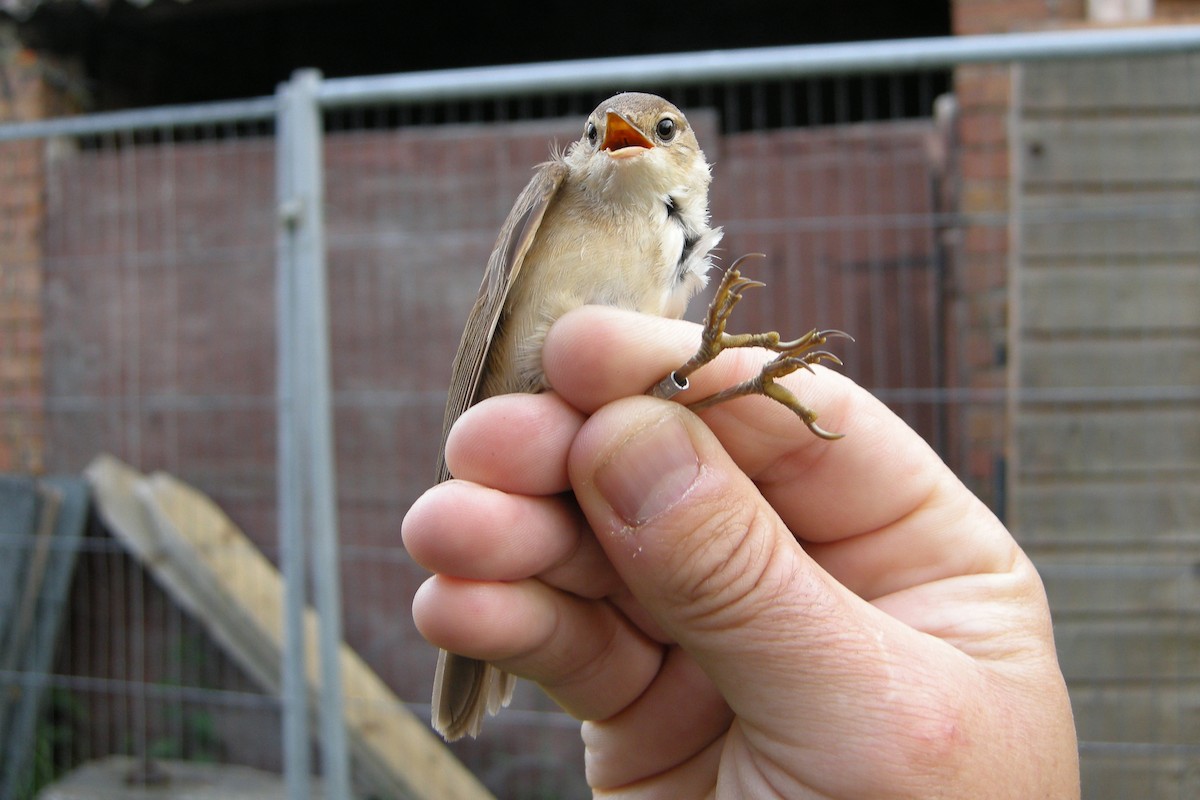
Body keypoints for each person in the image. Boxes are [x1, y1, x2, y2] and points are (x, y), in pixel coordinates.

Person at [402, 305, 1081, 798]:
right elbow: (493, 321)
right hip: (555, 426)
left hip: (580, 440)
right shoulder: (570, 190)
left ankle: (740, 382)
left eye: (662, 129)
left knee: (633, 418)